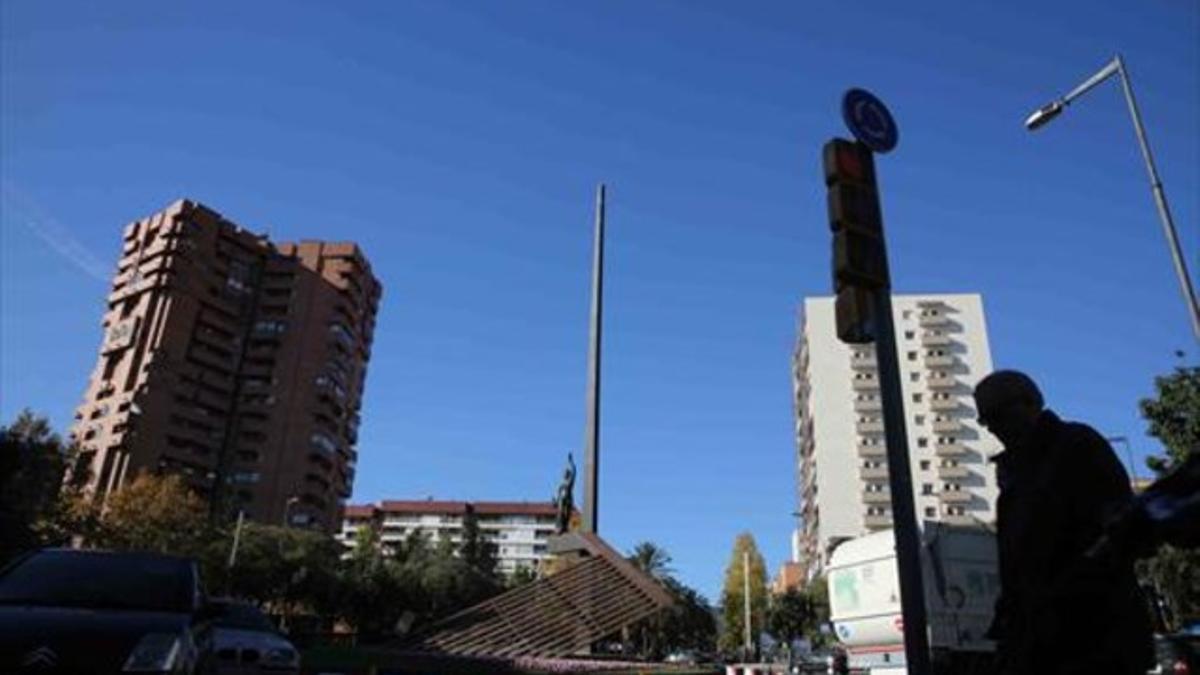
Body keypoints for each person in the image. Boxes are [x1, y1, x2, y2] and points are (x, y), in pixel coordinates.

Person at [973, 370, 1153, 675]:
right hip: (1041, 641)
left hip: (1093, 633)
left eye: (999, 414)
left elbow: (1119, 529)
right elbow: (1015, 570)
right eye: (985, 420)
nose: (993, 427)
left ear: (1032, 403)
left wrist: (1065, 588)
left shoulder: (1076, 446)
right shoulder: (1013, 483)